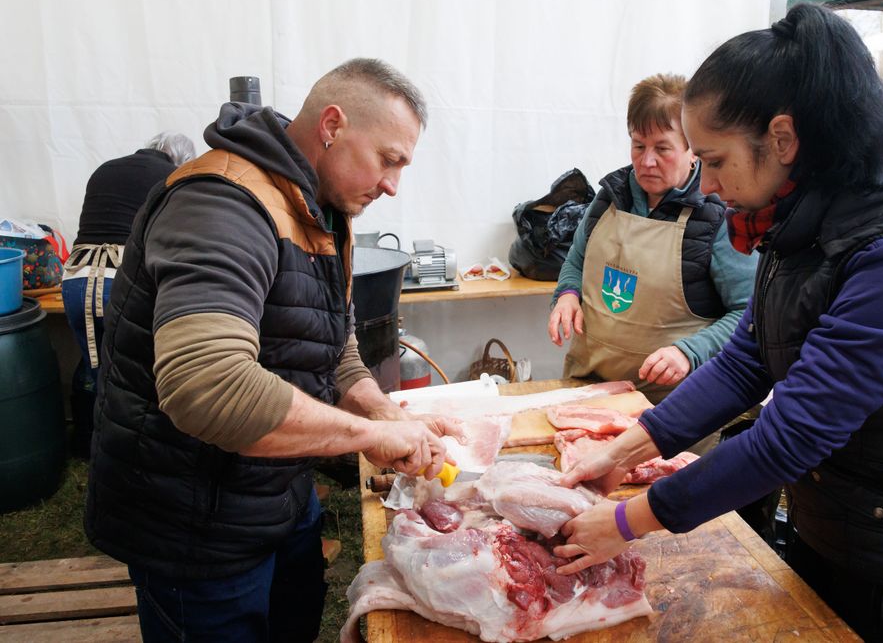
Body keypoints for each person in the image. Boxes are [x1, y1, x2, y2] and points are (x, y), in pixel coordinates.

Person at [556, 4, 883, 643]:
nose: (707, 184)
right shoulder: (799, 218)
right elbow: (747, 359)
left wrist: (628, 522)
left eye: (714, 159)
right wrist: (626, 450)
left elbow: (792, 435)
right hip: (833, 529)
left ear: (784, 139)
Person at [85, 59, 462, 642]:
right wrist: (369, 437)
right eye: (388, 159)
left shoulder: (320, 208)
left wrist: (381, 410)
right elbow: (208, 386)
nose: (392, 184)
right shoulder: (221, 205)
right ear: (332, 126)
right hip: (193, 520)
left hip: (275, 494)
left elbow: (334, 345)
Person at [547, 73, 757, 414]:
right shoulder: (609, 198)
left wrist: (690, 351)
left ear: (693, 151)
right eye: (638, 145)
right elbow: (576, 261)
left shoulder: (718, 217)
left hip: (673, 409)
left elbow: (749, 314)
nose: (646, 161)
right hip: (591, 391)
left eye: (662, 149)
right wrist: (567, 294)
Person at [61, 132, 196, 457]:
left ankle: (88, 443)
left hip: (76, 280)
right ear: (179, 159)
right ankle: (131, 451)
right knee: (134, 372)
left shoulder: (105, 169)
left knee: (93, 363)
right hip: (120, 280)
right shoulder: (171, 178)